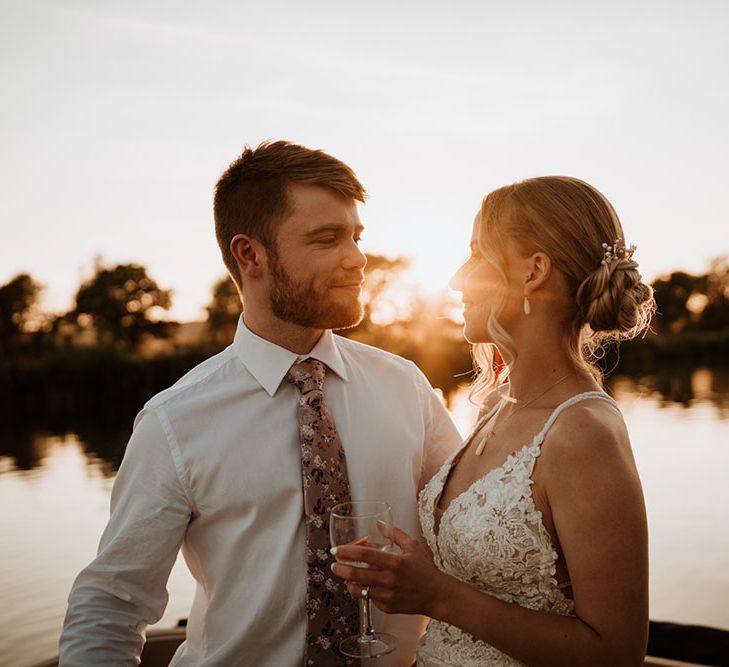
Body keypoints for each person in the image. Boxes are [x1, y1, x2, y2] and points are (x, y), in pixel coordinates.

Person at [59, 140, 462, 666]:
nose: (357, 258)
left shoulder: (406, 387)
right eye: (327, 238)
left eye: (356, 236)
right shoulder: (173, 422)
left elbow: (468, 540)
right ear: (249, 254)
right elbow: (110, 604)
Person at [332, 176, 655, 666]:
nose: (458, 279)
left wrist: (438, 595)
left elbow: (617, 652)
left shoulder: (582, 432)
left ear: (534, 272)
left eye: (478, 255)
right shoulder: (495, 405)